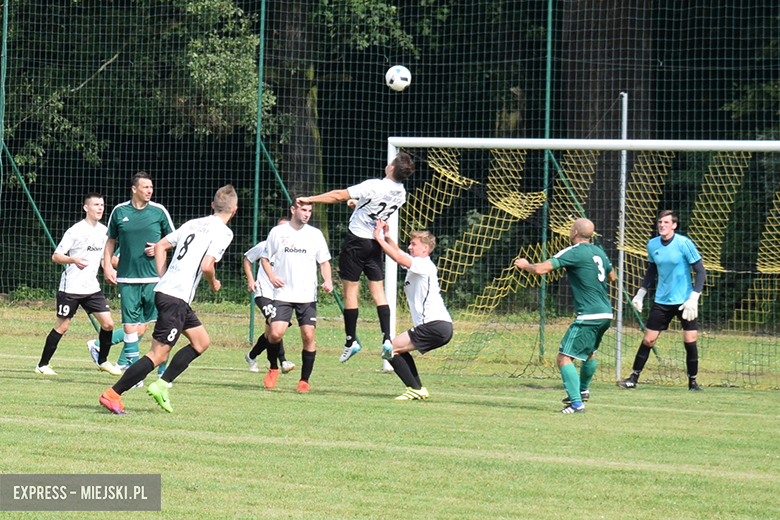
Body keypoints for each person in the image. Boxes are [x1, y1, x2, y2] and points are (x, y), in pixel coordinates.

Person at [99, 185, 238, 414]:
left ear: (213, 205)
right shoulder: (223, 232)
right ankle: (113, 393)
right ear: (234, 210)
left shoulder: (193, 223)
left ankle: (162, 385)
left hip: (170, 293)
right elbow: (207, 266)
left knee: (201, 342)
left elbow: (161, 245)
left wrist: (163, 275)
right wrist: (213, 283)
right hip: (175, 297)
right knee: (158, 354)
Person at [297, 152, 415, 364]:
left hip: (356, 241)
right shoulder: (402, 194)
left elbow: (337, 195)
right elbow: (377, 207)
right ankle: (387, 339)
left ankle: (351, 340)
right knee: (378, 292)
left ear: (391, 168)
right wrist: (356, 203)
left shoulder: (375, 185)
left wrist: (310, 198)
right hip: (375, 243)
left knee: (351, 291)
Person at [514, 218, 616, 414]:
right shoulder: (599, 252)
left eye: (571, 228)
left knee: (563, 358)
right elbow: (612, 276)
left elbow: (542, 269)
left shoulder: (574, 251)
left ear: (575, 233)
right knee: (590, 353)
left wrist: (525, 265)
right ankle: (583, 391)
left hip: (589, 315)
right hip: (605, 312)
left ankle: (577, 404)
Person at [93, 171, 175, 382]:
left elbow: (174, 239)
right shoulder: (120, 212)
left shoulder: (159, 212)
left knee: (159, 325)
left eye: (151, 187)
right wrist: (107, 267)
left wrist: (158, 247)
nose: (149, 190)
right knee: (130, 327)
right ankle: (134, 374)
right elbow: (110, 241)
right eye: (145, 187)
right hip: (128, 278)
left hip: (155, 279)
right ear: (134, 189)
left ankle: (162, 372)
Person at [618, 210, 706, 392]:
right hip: (662, 301)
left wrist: (694, 297)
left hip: (684, 302)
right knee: (649, 340)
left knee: (690, 340)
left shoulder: (684, 243)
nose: (662, 225)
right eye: (660, 222)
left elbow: (701, 271)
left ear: (674, 225)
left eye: (666, 222)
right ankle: (633, 378)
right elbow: (652, 270)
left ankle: (693, 383)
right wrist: (641, 293)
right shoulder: (652, 245)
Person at [35, 193, 122, 376]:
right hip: (71, 289)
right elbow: (56, 256)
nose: (100, 208)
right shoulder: (75, 231)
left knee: (108, 324)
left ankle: (103, 361)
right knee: (62, 327)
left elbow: (104, 259)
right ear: (86, 208)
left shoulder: (104, 231)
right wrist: (73, 259)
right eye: (96, 205)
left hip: (92, 289)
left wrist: (110, 268)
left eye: (102, 205)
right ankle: (42, 365)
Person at [372, 220, 453, 400]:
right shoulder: (418, 264)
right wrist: (387, 236)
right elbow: (400, 254)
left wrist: (379, 240)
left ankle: (415, 388)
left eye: (413, 244)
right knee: (394, 349)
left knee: (390, 348)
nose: (409, 247)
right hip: (440, 326)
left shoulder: (423, 264)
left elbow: (400, 257)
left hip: (435, 324)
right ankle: (417, 389)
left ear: (425, 249)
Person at [259, 198, 333, 392]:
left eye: (309, 210)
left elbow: (324, 261)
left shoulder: (315, 235)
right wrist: (272, 277)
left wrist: (328, 280)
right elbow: (265, 258)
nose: (307, 214)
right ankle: (274, 367)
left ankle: (304, 381)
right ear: (293, 210)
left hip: (307, 296)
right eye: (303, 210)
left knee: (308, 335)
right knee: (275, 333)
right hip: (283, 294)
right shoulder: (278, 232)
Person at [243, 215, 295, 375]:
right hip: (263, 294)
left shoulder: (293, 250)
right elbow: (247, 259)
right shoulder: (264, 246)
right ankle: (283, 361)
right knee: (275, 325)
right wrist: (251, 280)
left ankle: (251, 355)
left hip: (282, 297)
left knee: (270, 334)